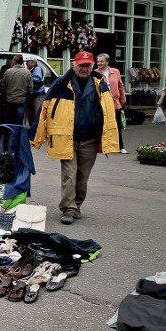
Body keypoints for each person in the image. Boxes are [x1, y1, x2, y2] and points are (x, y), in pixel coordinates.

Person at [32, 51, 119, 225]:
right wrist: (36, 137)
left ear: (92, 66)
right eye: (81, 65)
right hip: (66, 137)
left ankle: (77, 205)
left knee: (82, 176)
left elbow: (109, 111)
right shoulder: (61, 83)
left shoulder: (100, 84)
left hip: (90, 138)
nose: (84, 69)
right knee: (70, 175)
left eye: (88, 65)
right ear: (74, 65)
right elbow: (45, 110)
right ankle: (68, 209)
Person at [96, 53, 128, 153]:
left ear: (107, 62)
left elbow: (120, 87)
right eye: (98, 62)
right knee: (101, 125)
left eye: (101, 61)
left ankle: (120, 146)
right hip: (102, 103)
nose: (99, 63)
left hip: (115, 103)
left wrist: (122, 100)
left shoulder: (115, 72)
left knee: (117, 125)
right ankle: (102, 146)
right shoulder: (95, 73)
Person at [0, 54, 32, 126]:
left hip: (9, 100)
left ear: (15, 62)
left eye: (13, 60)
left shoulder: (8, 72)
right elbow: (30, 88)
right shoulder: (27, 72)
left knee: (8, 120)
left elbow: (3, 85)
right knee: (19, 122)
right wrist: (27, 97)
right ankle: (17, 135)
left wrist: (3, 95)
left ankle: (8, 134)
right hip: (21, 100)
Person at [25, 55, 46, 128]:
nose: (26, 63)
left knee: (37, 115)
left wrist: (27, 77)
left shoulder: (37, 69)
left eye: (28, 62)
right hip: (32, 95)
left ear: (33, 63)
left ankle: (37, 133)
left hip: (38, 95)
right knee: (31, 115)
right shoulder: (31, 70)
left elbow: (37, 80)